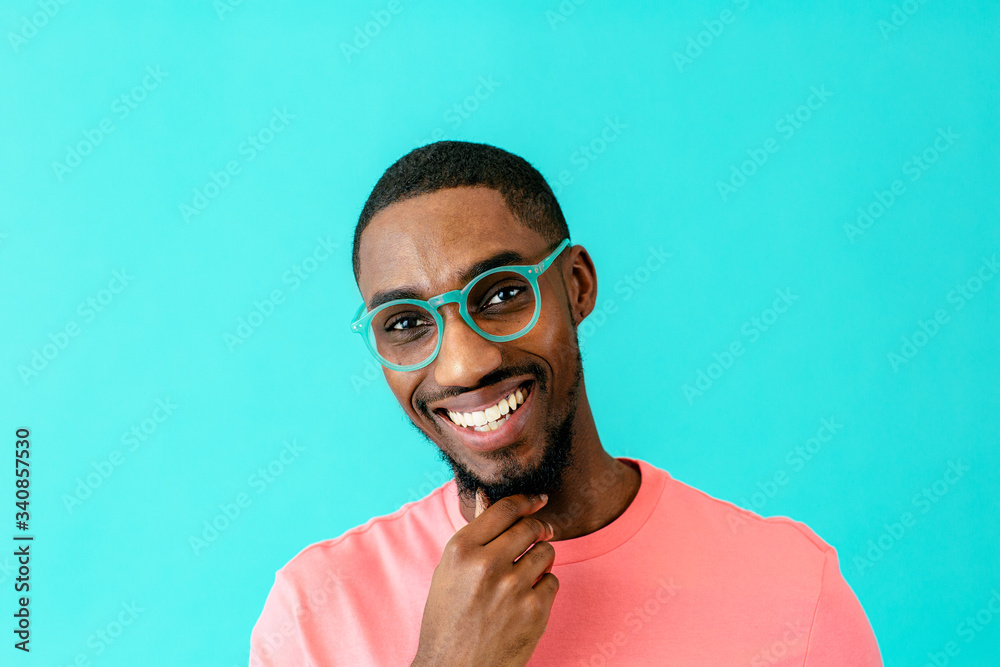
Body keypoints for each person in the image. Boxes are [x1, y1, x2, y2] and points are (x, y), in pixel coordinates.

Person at [249, 141, 883, 665]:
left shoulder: (793, 589)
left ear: (576, 286)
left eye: (500, 295)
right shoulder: (314, 612)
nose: (465, 364)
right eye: (407, 323)